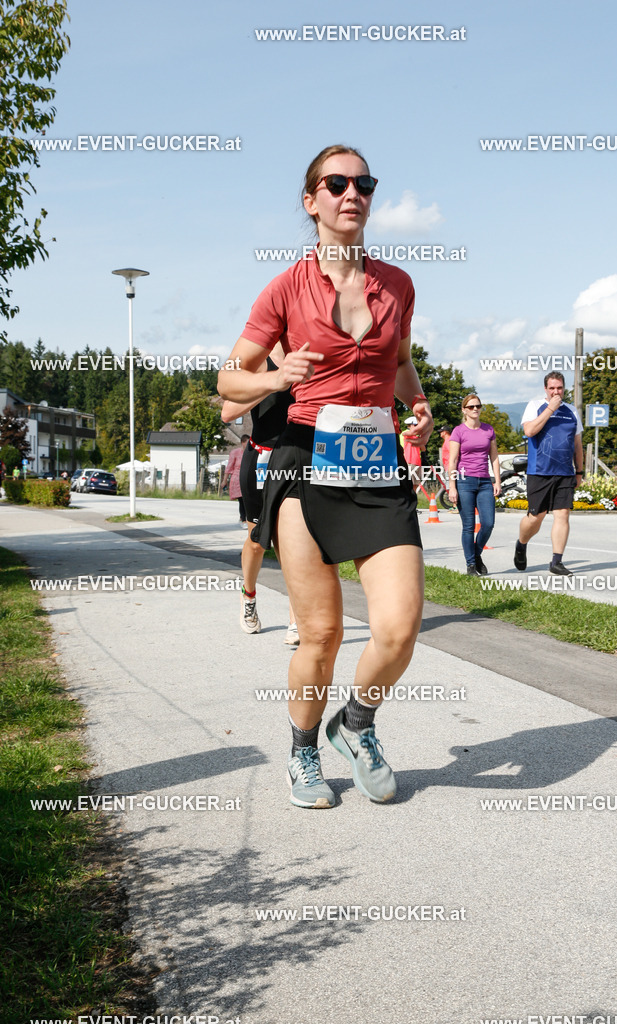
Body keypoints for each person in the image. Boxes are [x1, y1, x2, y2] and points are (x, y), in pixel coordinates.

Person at [217, 144, 433, 809]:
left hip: (377, 467)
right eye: (336, 183)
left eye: (363, 183)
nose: (352, 193)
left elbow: (399, 360)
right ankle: (303, 751)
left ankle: (356, 724)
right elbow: (228, 381)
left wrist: (417, 404)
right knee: (321, 634)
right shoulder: (285, 288)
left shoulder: (397, 284)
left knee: (398, 627)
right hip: (305, 462)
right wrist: (275, 378)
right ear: (311, 201)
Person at [221, 346, 298, 642]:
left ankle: (296, 617)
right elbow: (228, 412)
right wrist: (274, 381)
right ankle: (248, 596)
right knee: (257, 541)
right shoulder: (258, 363)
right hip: (261, 459)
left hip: (296, 460)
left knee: (294, 541)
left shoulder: (308, 358)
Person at [513, 371, 583, 576]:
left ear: (564, 388)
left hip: (565, 472)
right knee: (536, 517)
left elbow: (577, 445)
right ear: (545, 389)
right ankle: (521, 543)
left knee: (563, 514)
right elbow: (529, 431)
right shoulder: (535, 406)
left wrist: (579, 471)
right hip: (540, 471)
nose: (556, 392)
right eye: (552, 388)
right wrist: (551, 408)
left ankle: (556, 562)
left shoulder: (571, 411)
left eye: (559, 388)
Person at [447, 394, 501, 574]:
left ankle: (476, 555)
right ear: (464, 410)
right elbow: (452, 460)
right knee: (469, 526)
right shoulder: (458, 431)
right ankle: (470, 564)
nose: (475, 409)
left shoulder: (488, 430)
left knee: (488, 523)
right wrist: (452, 486)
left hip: (485, 482)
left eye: (478, 406)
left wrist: (497, 481)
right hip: (464, 482)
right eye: (471, 407)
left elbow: (494, 457)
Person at [221, 435, 248, 527]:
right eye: (247, 443)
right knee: (242, 499)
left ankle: (242, 517)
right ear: (242, 443)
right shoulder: (235, 453)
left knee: (247, 499)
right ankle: (244, 520)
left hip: (247, 478)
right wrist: (225, 480)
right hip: (237, 479)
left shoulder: (251, 452)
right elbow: (229, 467)